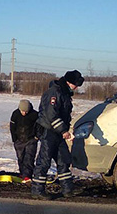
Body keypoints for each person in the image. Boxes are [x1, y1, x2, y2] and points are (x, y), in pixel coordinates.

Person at [32, 70, 85, 200]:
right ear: (68, 82)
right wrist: (63, 131)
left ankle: (68, 189)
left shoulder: (64, 93)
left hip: (58, 133)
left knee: (64, 160)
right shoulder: (54, 93)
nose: (76, 88)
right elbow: (51, 115)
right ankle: (37, 191)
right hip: (49, 132)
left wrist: (64, 130)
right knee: (44, 161)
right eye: (75, 85)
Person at [10, 99, 39, 182]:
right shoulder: (15, 114)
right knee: (20, 158)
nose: (24, 113)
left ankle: (28, 175)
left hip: (31, 140)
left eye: (26, 111)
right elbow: (12, 127)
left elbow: (39, 127)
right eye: (22, 111)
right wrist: (14, 139)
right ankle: (22, 174)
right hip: (18, 140)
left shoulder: (35, 115)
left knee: (29, 158)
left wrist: (36, 137)